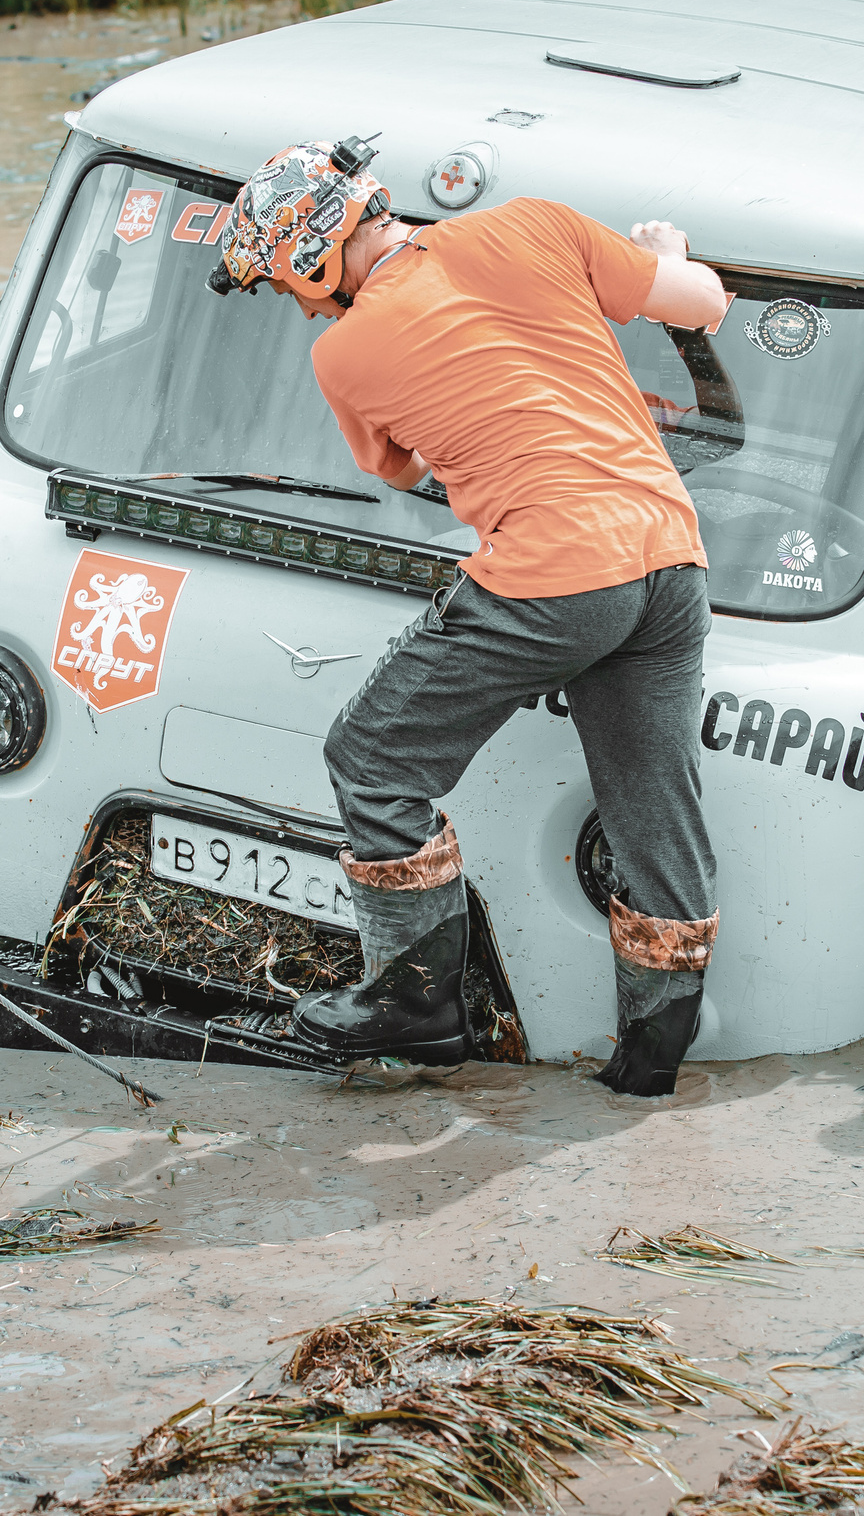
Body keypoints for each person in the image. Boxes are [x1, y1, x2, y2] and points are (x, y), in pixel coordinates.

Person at [207, 138, 731, 1097]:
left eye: (291, 289)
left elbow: (404, 471)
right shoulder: (537, 221)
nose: (303, 308)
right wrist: (666, 251)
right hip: (670, 558)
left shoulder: (345, 352)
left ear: (312, 260)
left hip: (555, 572)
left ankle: (417, 999)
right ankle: (650, 1069)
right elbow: (701, 302)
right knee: (654, 815)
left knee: (372, 758)